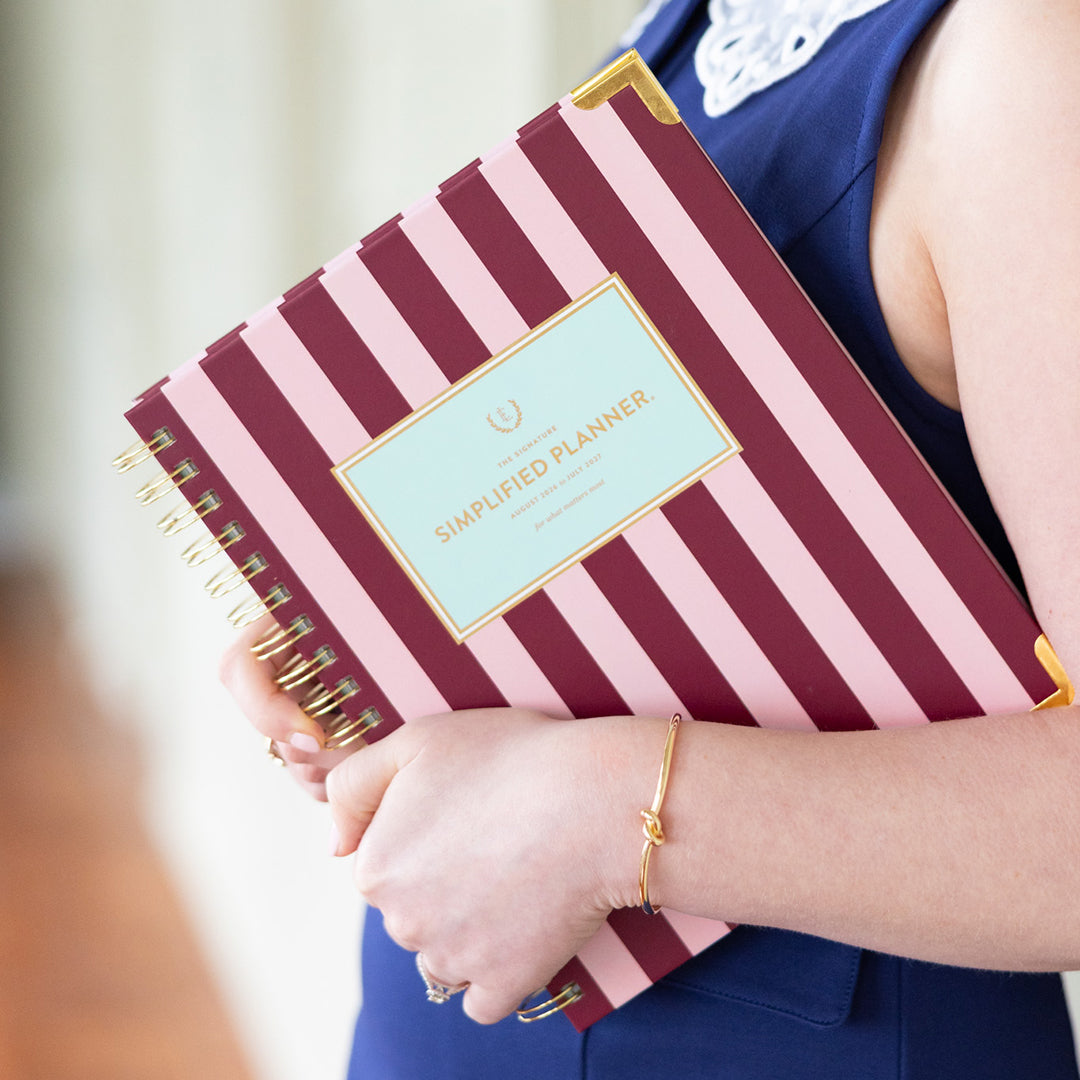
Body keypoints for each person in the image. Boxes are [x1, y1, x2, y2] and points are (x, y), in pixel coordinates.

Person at [219, 0, 1080, 1075]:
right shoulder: (696, 24)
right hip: (468, 1009)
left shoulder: (1027, 66)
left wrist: (598, 810)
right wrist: (373, 616)